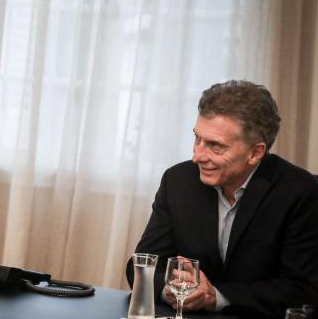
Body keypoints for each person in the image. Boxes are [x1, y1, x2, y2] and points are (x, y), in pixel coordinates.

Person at [126, 80, 318, 318]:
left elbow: (302, 290)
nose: (197, 156)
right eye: (197, 139)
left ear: (255, 153)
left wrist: (217, 296)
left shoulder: (300, 192)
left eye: (215, 145)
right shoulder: (178, 181)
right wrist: (175, 290)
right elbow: (142, 267)